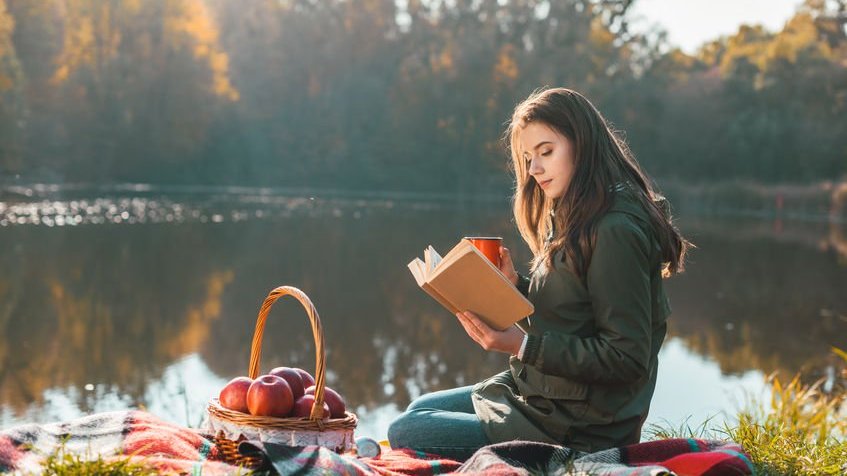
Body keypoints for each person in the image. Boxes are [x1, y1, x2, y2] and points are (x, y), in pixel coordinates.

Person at [387, 87, 691, 461]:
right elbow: (576, 311)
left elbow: (626, 358)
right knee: (418, 409)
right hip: (546, 394)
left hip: (581, 425)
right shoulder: (576, 212)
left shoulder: (615, 230)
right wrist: (514, 286)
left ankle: (547, 459)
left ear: (583, 144)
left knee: (406, 430)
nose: (533, 169)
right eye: (529, 157)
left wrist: (521, 345)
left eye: (546, 152)